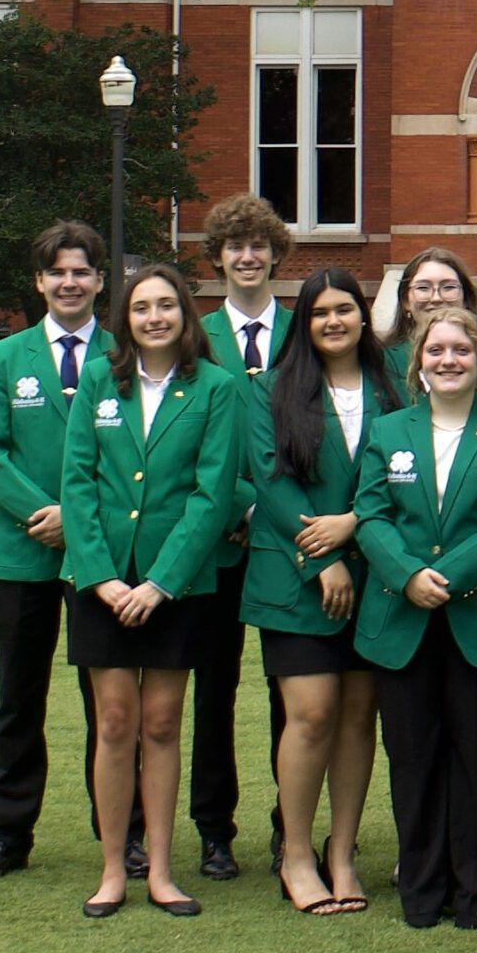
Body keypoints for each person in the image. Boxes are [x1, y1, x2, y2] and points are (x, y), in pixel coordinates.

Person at [60, 264, 244, 918]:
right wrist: (103, 576)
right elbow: (77, 481)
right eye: (143, 307)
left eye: (167, 305)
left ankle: (163, 871)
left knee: (163, 723)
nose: (155, 317)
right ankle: (115, 869)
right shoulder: (97, 383)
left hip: (178, 583)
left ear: (185, 315)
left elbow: (213, 490)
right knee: (114, 723)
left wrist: (162, 581)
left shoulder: (216, 388)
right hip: (101, 578)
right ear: (126, 318)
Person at [352, 307, 477, 930]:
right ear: (418, 362)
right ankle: (422, 890)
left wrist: (446, 578)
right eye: (436, 350)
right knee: (413, 758)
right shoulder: (388, 431)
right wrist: (407, 575)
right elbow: (371, 516)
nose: (448, 359)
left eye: (461, 349)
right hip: (401, 619)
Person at [244, 267, 400, 915]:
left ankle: (343, 851)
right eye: (319, 313)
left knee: (359, 717)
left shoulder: (391, 391)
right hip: (295, 577)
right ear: (302, 324)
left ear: (363, 317)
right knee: (310, 716)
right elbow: (271, 483)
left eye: (345, 309)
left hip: (374, 578)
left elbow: (401, 474)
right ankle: (297, 854)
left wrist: (357, 529)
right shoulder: (271, 391)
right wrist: (324, 560)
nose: (333, 321)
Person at [0, 220, 110, 883]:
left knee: (109, 701)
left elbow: (137, 455)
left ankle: (124, 834)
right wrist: (41, 514)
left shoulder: (126, 356)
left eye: (81, 271)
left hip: (101, 555)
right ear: (39, 281)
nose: (69, 282)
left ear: (101, 280)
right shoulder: (4, 359)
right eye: (58, 272)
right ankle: (8, 833)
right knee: (20, 696)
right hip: (22, 556)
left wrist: (77, 520)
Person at [188, 192, 291, 882]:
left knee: (295, 695)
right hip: (220, 542)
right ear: (218, 257)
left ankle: (294, 827)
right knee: (213, 691)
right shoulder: (195, 337)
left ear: (276, 255)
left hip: (289, 545)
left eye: (259, 246)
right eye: (236, 247)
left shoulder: (307, 328)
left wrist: (273, 511)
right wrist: (242, 504)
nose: (248, 257)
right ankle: (213, 829)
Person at [384, 247, 477, 414]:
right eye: (423, 288)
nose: (436, 298)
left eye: (448, 287)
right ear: (406, 300)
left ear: (465, 298)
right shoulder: (383, 362)